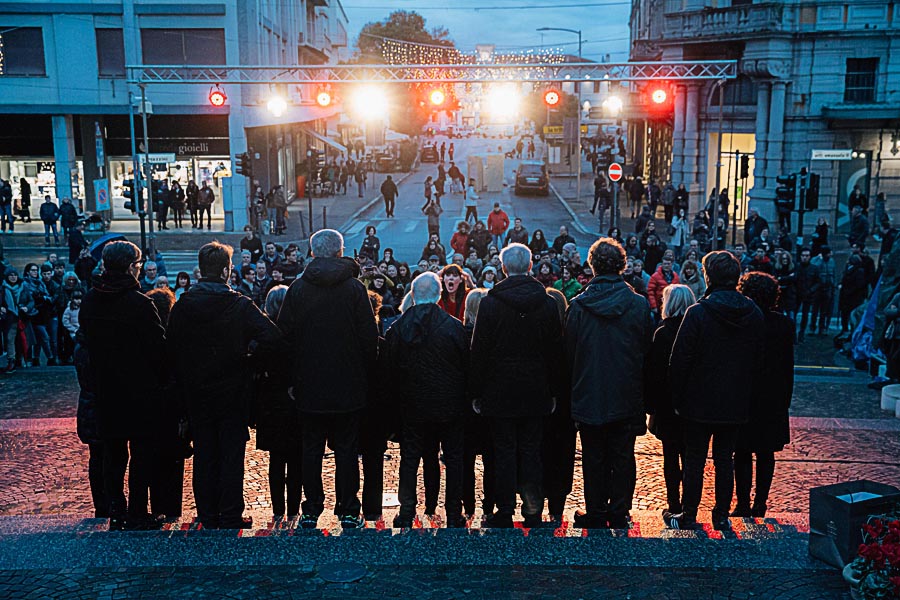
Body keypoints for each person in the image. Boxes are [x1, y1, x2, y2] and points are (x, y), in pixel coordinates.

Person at [167, 242, 283, 529]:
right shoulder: (239, 305)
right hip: (233, 390)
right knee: (231, 454)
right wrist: (249, 356)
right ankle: (230, 513)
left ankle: (207, 514)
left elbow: (170, 350)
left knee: (205, 452)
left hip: (196, 391)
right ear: (225, 271)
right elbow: (273, 338)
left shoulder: (183, 306)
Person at [277, 229, 378, 530]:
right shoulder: (354, 289)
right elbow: (368, 338)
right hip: (348, 382)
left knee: (311, 449)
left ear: (312, 253)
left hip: (309, 384)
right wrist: (364, 374)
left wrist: (291, 380)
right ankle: (348, 509)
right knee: (347, 449)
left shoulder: (298, 288)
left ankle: (311, 509)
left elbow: (286, 338)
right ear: (339, 252)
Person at [667, 251, 764, 530]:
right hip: (735, 401)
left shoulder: (698, 313)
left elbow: (680, 360)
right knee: (725, 458)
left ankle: (688, 514)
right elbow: (760, 361)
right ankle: (720, 514)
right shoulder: (753, 313)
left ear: (708, 276)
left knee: (695, 458)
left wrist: (677, 397)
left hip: (698, 401)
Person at [470, 243, 562, 528]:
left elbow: (479, 350)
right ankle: (533, 509)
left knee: (504, 450)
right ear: (531, 266)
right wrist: (555, 389)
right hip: (536, 388)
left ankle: (505, 508)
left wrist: (476, 391)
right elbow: (555, 351)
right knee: (532, 450)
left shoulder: (490, 303)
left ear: (504, 268)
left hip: (500, 388)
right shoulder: (547, 303)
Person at [566, 237, 653, 529]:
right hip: (626, 392)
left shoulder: (578, 306)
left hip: (588, 391)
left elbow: (568, 353)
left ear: (593, 266)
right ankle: (619, 510)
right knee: (623, 455)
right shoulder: (638, 305)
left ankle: (596, 510)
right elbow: (647, 350)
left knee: (592, 456)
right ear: (622, 266)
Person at [79, 241, 166, 530]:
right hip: (139, 393)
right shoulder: (140, 304)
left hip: (106, 391)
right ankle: (138, 512)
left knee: (112, 456)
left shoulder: (91, 300)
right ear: (131, 267)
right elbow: (158, 349)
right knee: (142, 455)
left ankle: (116, 509)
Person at [387, 272, 468, 528]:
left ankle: (407, 511)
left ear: (413, 294)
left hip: (413, 404)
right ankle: (454, 513)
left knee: (410, 458)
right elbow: (466, 367)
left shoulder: (398, 328)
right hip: (449, 403)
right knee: (454, 458)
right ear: (438, 294)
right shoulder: (454, 327)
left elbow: (389, 370)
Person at [733, 272, 794, 519]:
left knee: (743, 452)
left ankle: (742, 503)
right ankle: (760, 502)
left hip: (744, 395)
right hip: (772, 398)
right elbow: (787, 368)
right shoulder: (784, 325)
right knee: (765, 454)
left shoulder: (742, 321)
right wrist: (784, 401)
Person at [644, 284, 695, 521]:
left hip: (666, 406)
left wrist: (651, 406)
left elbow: (654, 373)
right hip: (691, 405)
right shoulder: (696, 329)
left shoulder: (663, 332)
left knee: (670, 458)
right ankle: (689, 504)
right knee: (692, 456)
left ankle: (673, 502)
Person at [811, 246, 837, 335]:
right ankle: (812, 327)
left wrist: (834, 285)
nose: (831, 254)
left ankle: (822, 327)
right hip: (818, 288)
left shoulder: (832, 261)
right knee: (815, 309)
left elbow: (833, 273)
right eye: (829, 252)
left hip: (828, 288)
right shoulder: (816, 260)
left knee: (825, 310)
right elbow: (813, 269)